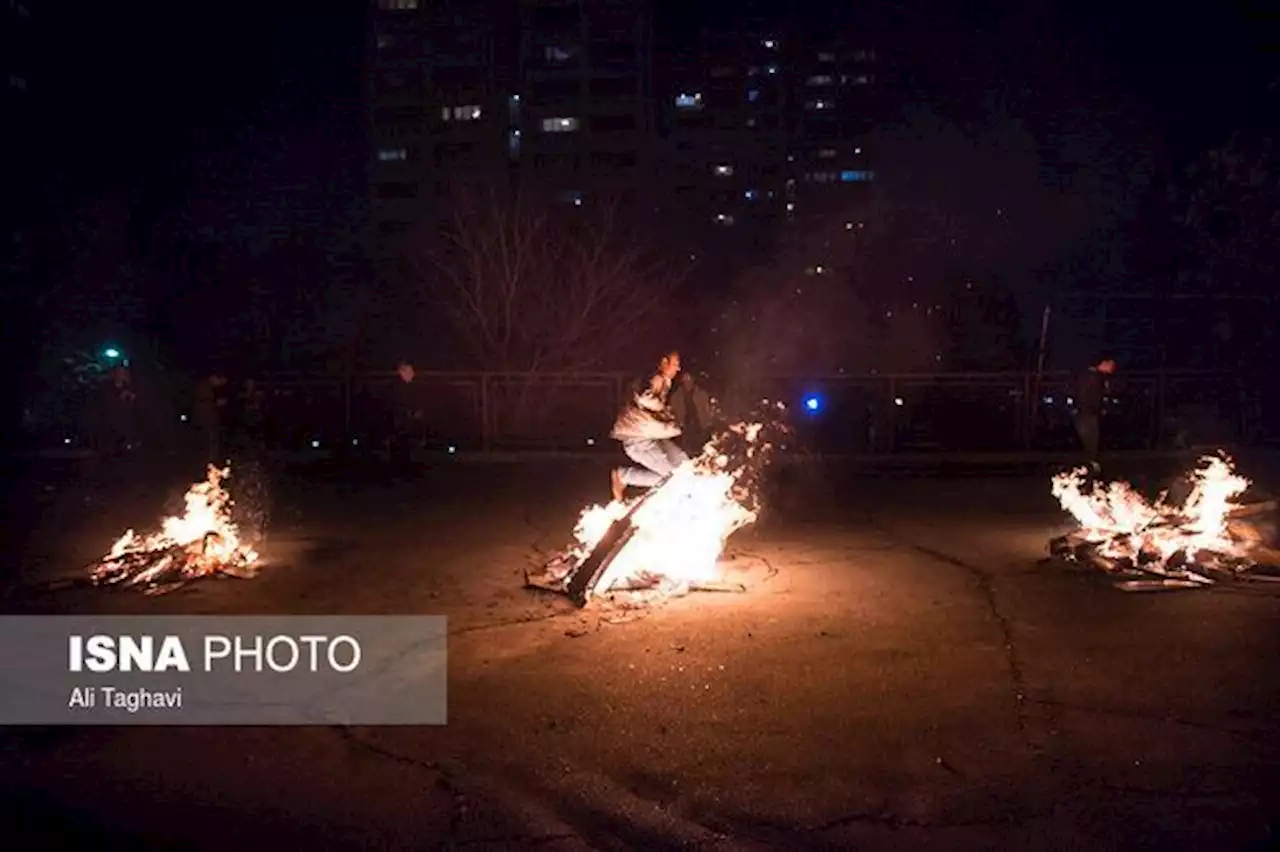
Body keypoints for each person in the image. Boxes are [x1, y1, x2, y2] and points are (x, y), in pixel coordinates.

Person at [609, 350, 688, 502]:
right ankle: (624, 476)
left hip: (649, 435)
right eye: (676, 364)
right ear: (664, 362)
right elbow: (645, 398)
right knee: (672, 476)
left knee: (683, 465)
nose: (678, 369)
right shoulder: (656, 378)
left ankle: (626, 476)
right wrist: (663, 410)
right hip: (638, 440)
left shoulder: (660, 379)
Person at [1075, 356, 1115, 467]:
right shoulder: (1092, 377)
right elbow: (1086, 396)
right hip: (1087, 414)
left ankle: (1090, 465)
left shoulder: (1097, 377)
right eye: (1111, 364)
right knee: (1091, 443)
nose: (1113, 368)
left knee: (1092, 443)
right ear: (1104, 363)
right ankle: (1090, 466)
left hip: (1089, 414)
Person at [389, 360, 423, 477]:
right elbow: (396, 406)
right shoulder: (397, 388)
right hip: (399, 425)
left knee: (404, 448)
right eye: (410, 371)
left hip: (404, 425)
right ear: (402, 372)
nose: (413, 374)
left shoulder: (408, 387)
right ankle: (400, 472)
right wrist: (411, 413)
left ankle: (403, 470)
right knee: (400, 448)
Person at [669, 371, 715, 456]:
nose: (687, 380)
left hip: (699, 422)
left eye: (689, 378)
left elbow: (706, 407)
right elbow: (675, 409)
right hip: (686, 424)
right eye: (685, 378)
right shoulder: (677, 395)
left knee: (702, 442)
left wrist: (707, 420)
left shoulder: (700, 392)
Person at [194, 369, 231, 463]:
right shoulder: (204, 387)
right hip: (206, 420)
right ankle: (209, 461)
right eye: (220, 381)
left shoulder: (209, 388)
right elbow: (202, 403)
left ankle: (211, 461)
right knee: (208, 442)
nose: (220, 384)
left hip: (210, 420)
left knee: (212, 442)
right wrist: (215, 403)